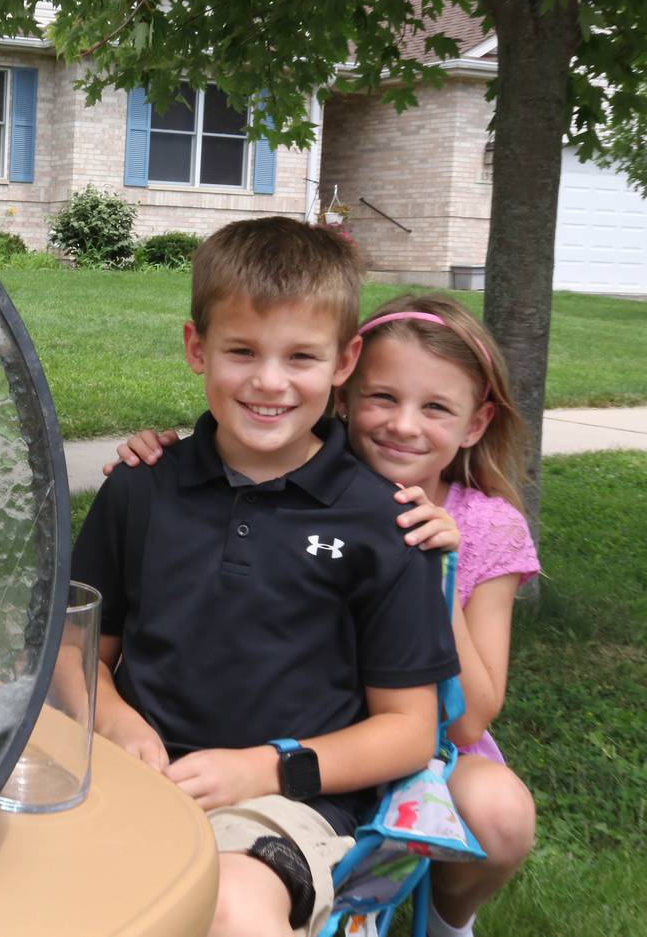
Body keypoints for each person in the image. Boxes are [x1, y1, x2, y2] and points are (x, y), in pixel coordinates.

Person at [73, 217, 459, 937]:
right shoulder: (140, 488)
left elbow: (410, 732)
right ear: (197, 347)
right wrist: (118, 721)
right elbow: (76, 653)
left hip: (284, 803)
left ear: (345, 361)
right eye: (242, 350)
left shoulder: (386, 524)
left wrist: (264, 770)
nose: (269, 381)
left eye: (300, 357)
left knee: (231, 908)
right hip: (127, 777)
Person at [111, 292, 539, 937]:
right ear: (345, 388)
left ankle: (451, 923)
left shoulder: (483, 526)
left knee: (501, 813)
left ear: (474, 424)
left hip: (421, 740)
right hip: (300, 722)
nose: (403, 425)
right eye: (383, 398)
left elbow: (471, 715)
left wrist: (433, 571)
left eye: (435, 408)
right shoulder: (299, 484)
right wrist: (157, 450)